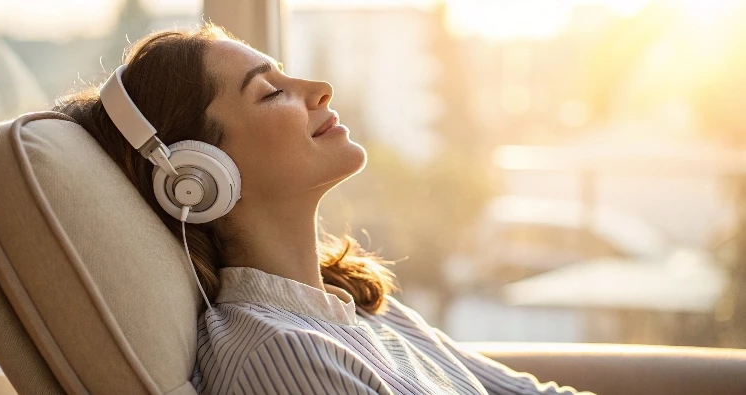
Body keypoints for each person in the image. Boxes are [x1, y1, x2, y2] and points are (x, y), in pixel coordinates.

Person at [54, 22, 594, 395]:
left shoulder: (347, 303)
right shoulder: (278, 354)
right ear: (196, 178)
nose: (320, 89)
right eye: (270, 92)